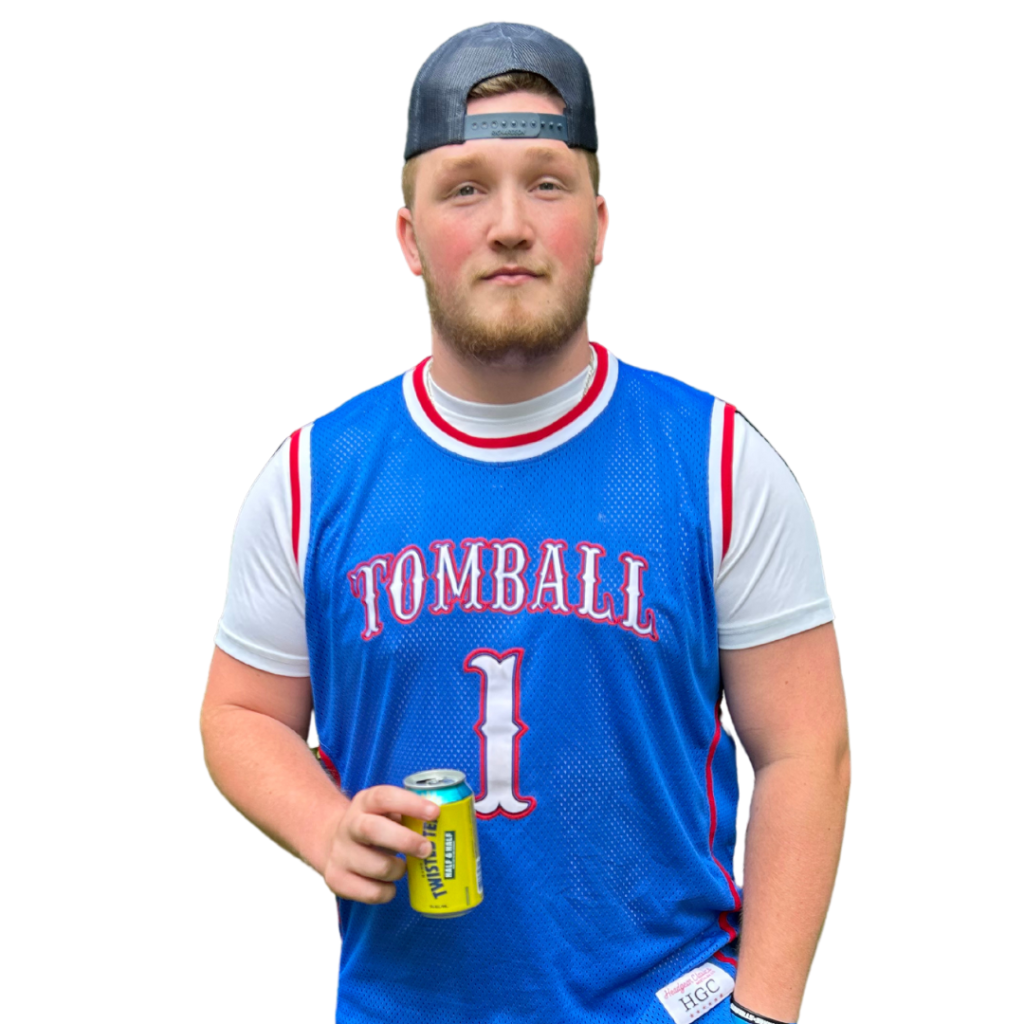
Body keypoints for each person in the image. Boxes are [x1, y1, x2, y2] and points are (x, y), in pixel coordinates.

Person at [201, 22, 850, 1024]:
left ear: (599, 222)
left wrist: (762, 1013)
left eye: (546, 183)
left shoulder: (718, 463)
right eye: (465, 188)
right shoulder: (311, 478)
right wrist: (323, 826)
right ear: (409, 238)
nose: (509, 224)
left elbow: (807, 748)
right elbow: (241, 714)